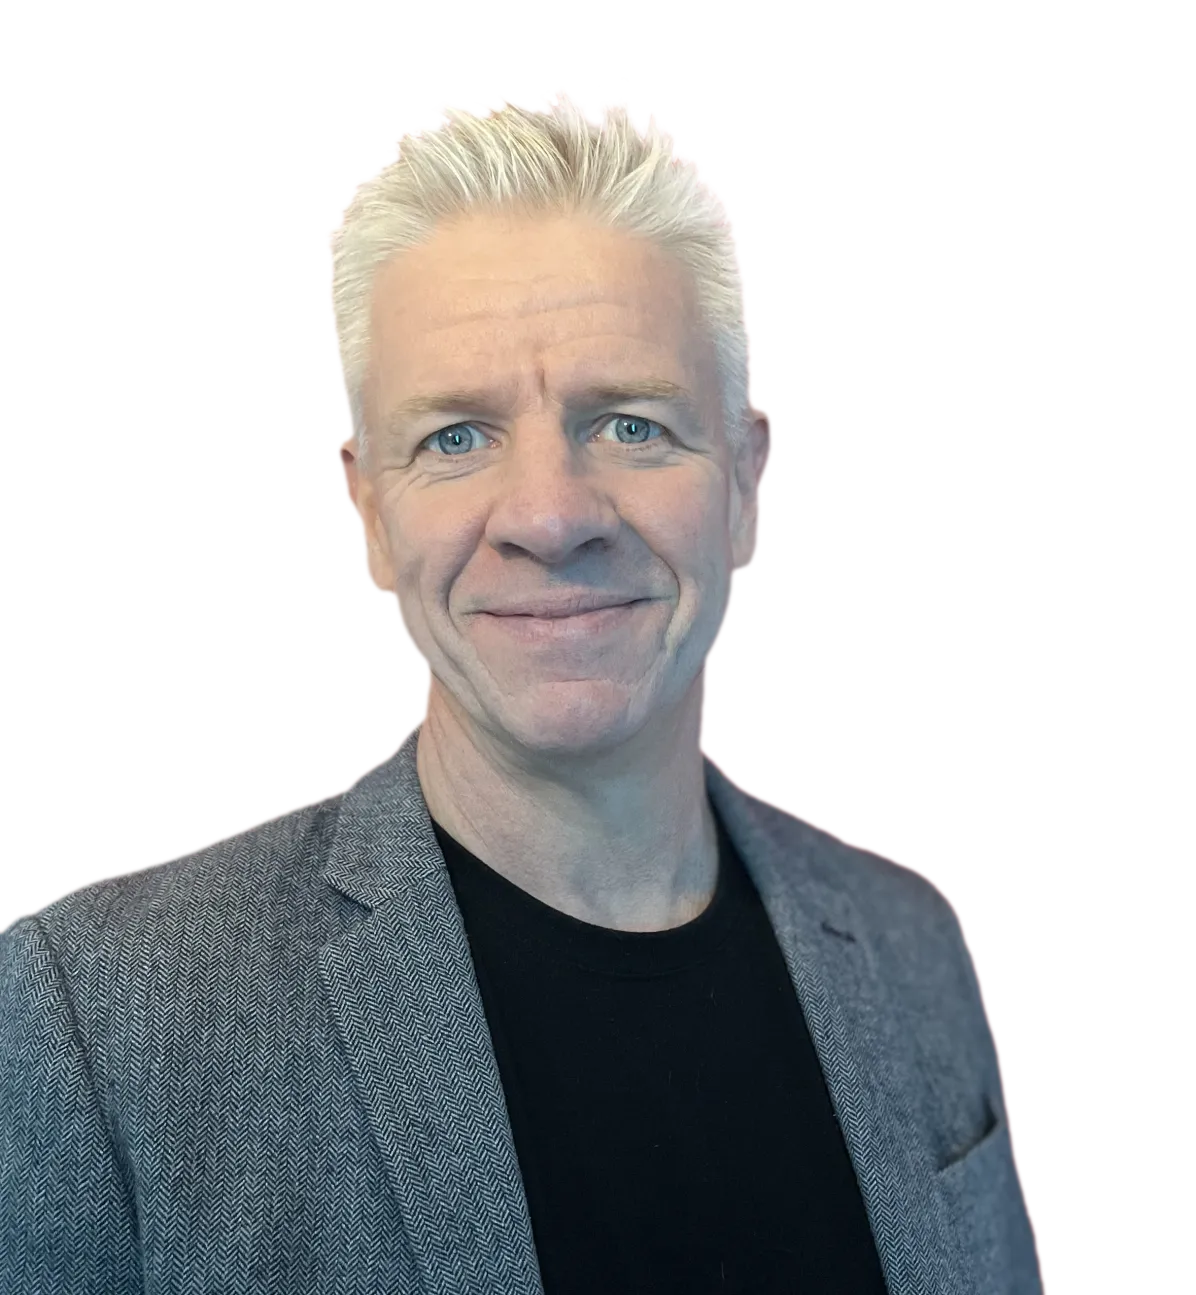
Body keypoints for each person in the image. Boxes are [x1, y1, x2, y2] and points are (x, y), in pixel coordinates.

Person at [0, 87, 1047, 1294]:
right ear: (370, 513)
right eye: (456, 436)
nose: (551, 516)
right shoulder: (97, 1024)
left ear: (749, 486)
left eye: (632, 425)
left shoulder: (913, 943)